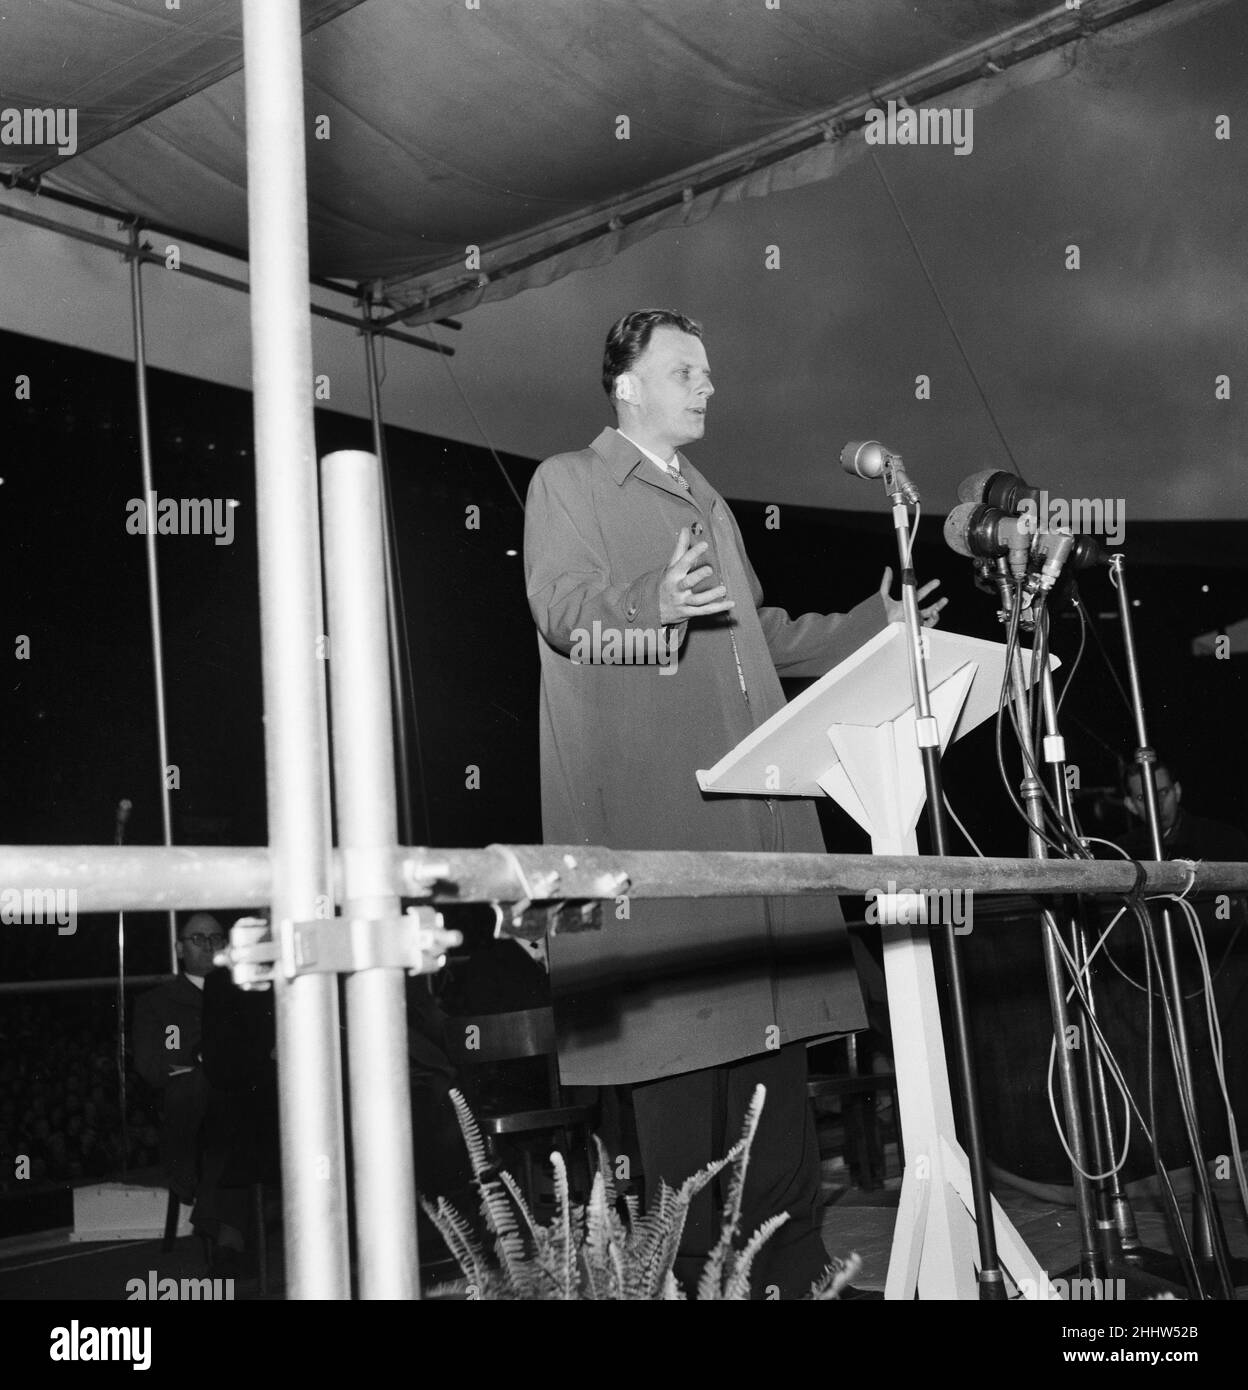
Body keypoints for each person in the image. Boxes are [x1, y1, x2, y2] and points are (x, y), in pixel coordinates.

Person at [523, 308, 944, 1297]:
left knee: (786, 1179)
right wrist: (652, 607)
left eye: (710, 370)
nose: (708, 386)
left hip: (764, 868)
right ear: (626, 384)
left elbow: (761, 638)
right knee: (690, 1186)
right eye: (684, 370)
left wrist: (871, 628)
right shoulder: (566, 482)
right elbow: (568, 617)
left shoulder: (708, 501)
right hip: (669, 872)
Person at [133, 912, 256, 1274]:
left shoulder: (247, 992)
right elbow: (152, 1066)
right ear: (179, 948)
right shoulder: (157, 1003)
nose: (208, 946)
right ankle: (229, 1233)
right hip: (195, 1104)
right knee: (211, 1097)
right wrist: (202, 1058)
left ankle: (220, 1229)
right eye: (198, 939)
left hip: (240, 1100)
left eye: (216, 938)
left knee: (234, 1112)